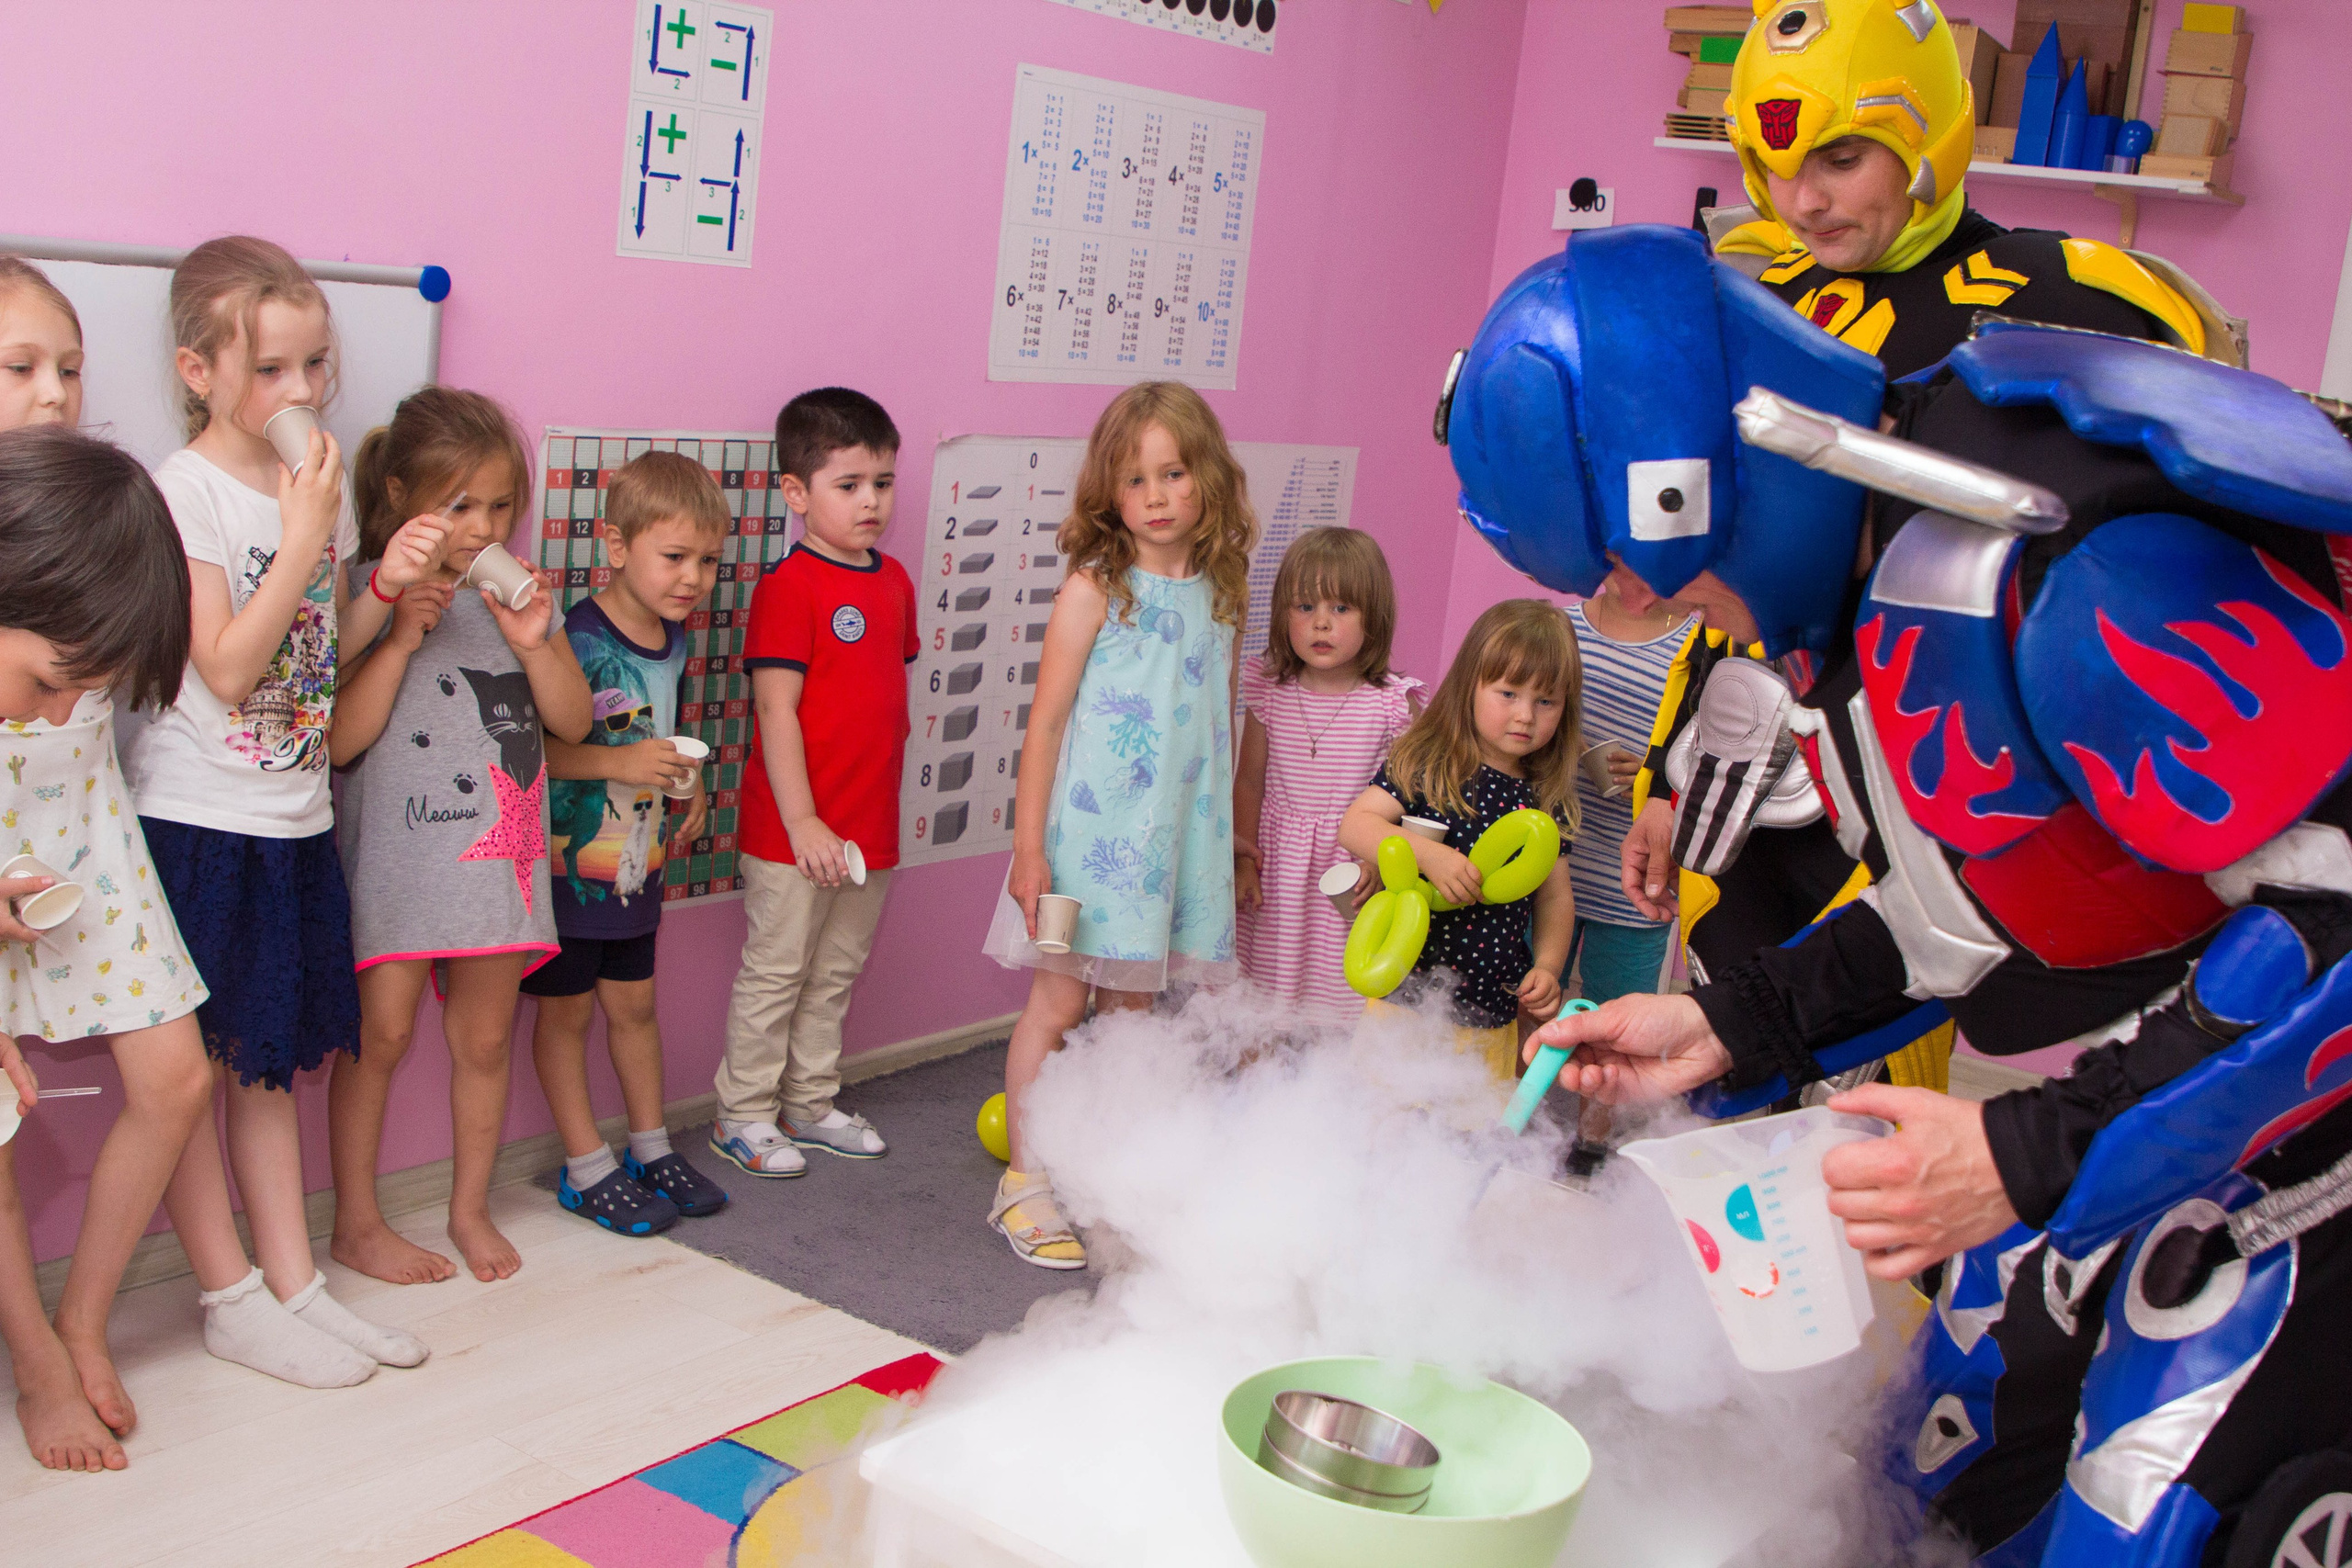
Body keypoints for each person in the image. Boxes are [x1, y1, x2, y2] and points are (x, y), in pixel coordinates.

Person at [1455, 221, 2352, 1568]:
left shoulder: (2085, 573)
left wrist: (2019, 1154)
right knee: (1936, 1470)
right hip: (2187, 1084)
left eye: (1631, 574)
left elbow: (2338, 928)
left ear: (1692, 484)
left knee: (2150, 1517)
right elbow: (1969, 905)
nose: (1632, 611)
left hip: (2306, 1132)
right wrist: (1729, 1025)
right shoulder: (1888, 569)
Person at [1658, 0, 2234, 1089]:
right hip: (1755, 785)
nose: (1802, 201)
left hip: (1941, 786)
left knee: (1884, 1148)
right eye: (1769, 165)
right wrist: (1662, 774)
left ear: (1927, 136)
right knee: (1720, 1109)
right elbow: (1723, 576)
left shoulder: (2070, 302)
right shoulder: (1750, 312)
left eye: (1837, 156)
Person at [119, 236, 436, 1391]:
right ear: (198, 371)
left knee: (264, 1069)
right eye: (270, 372)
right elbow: (228, 668)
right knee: (201, 1073)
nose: (300, 396)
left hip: (295, 816)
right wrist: (304, 540)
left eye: (314, 369)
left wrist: (381, 594)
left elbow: (310, 663)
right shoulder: (185, 491)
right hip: (204, 821)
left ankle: (295, 1284)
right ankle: (229, 1293)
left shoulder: (307, 501)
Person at [980, 381, 1254, 1269]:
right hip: (1094, 846)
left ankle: (1111, 1178)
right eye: (1137, 480)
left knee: (1136, 1017)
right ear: (1111, 494)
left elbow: (1224, 716)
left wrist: (1235, 837)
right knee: (1059, 1001)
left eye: (1174, 472)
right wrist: (1030, 851)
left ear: (1205, 474)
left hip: (1179, 840)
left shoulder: (1222, 589)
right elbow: (1047, 726)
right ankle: (1025, 1179)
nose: (1159, 495)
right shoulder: (1095, 589)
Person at [328, 387, 592, 1284]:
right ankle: (357, 1222)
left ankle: (468, 1207)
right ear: (402, 497)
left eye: (501, 506)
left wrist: (537, 642)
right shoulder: (362, 593)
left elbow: (574, 722)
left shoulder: (515, 599)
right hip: (398, 861)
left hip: (497, 863)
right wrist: (395, 632)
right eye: (460, 505)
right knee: (382, 1037)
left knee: (483, 1042)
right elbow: (338, 740)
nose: (483, 528)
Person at [0, 418, 215, 1472]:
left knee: (177, 1078)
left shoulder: (90, 575)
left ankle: (83, 1323)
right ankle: (37, 1358)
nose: (65, 710)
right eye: (48, 685)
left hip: (76, 843)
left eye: (89, 693)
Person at [709, 389, 914, 1182]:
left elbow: (882, 701)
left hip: (870, 831)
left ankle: (809, 1100)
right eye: (850, 483)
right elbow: (776, 708)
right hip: (792, 835)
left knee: (834, 973)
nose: (871, 501)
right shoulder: (788, 588)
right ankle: (745, 1113)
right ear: (795, 493)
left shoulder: (892, 579)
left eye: (884, 483)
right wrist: (803, 821)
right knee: (777, 971)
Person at [528, 450, 730, 1235]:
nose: (693, 578)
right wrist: (619, 761)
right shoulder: (575, 636)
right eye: (674, 556)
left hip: (637, 867)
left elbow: (656, 729)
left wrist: (690, 777)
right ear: (617, 546)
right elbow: (540, 752)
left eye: (708, 561)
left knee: (637, 1007)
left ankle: (649, 1145)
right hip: (572, 872)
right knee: (565, 1017)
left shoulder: (673, 639)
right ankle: (585, 1165)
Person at [1336, 600, 1575, 1079]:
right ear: (1470, 687)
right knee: (1380, 1127)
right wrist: (1432, 856)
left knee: (1470, 1140)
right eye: (1508, 693)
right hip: (1403, 999)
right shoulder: (1427, 762)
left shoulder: (1546, 796)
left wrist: (1548, 967)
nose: (1526, 715)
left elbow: (1554, 896)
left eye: (1545, 701)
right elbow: (1356, 825)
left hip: (1490, 1012)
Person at [1233, 528, 1419, 1024]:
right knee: (1261, 1004)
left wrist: (1385, 860)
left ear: (1372, 618)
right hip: (1277, 868)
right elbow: (1249, 780)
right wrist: (1244, 860)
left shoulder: (1390, 704)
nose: (1320, 623)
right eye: (1304, 606)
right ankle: (1257, 1090)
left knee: (1343, 1007)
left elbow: (1412, 800)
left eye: (1341, 609)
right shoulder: (1270, 690)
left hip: (1350, 870)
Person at [1555, 577, 1690, 1172]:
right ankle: (1516, 1118)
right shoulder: (1561, 630)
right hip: (1546, 869)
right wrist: (1566, 744)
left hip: (1636, 881)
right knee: (1531, 995)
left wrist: (1657, 777)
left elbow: (1710, 758)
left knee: (1617, 1018)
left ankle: (1592, 1138)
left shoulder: (1695, 646)